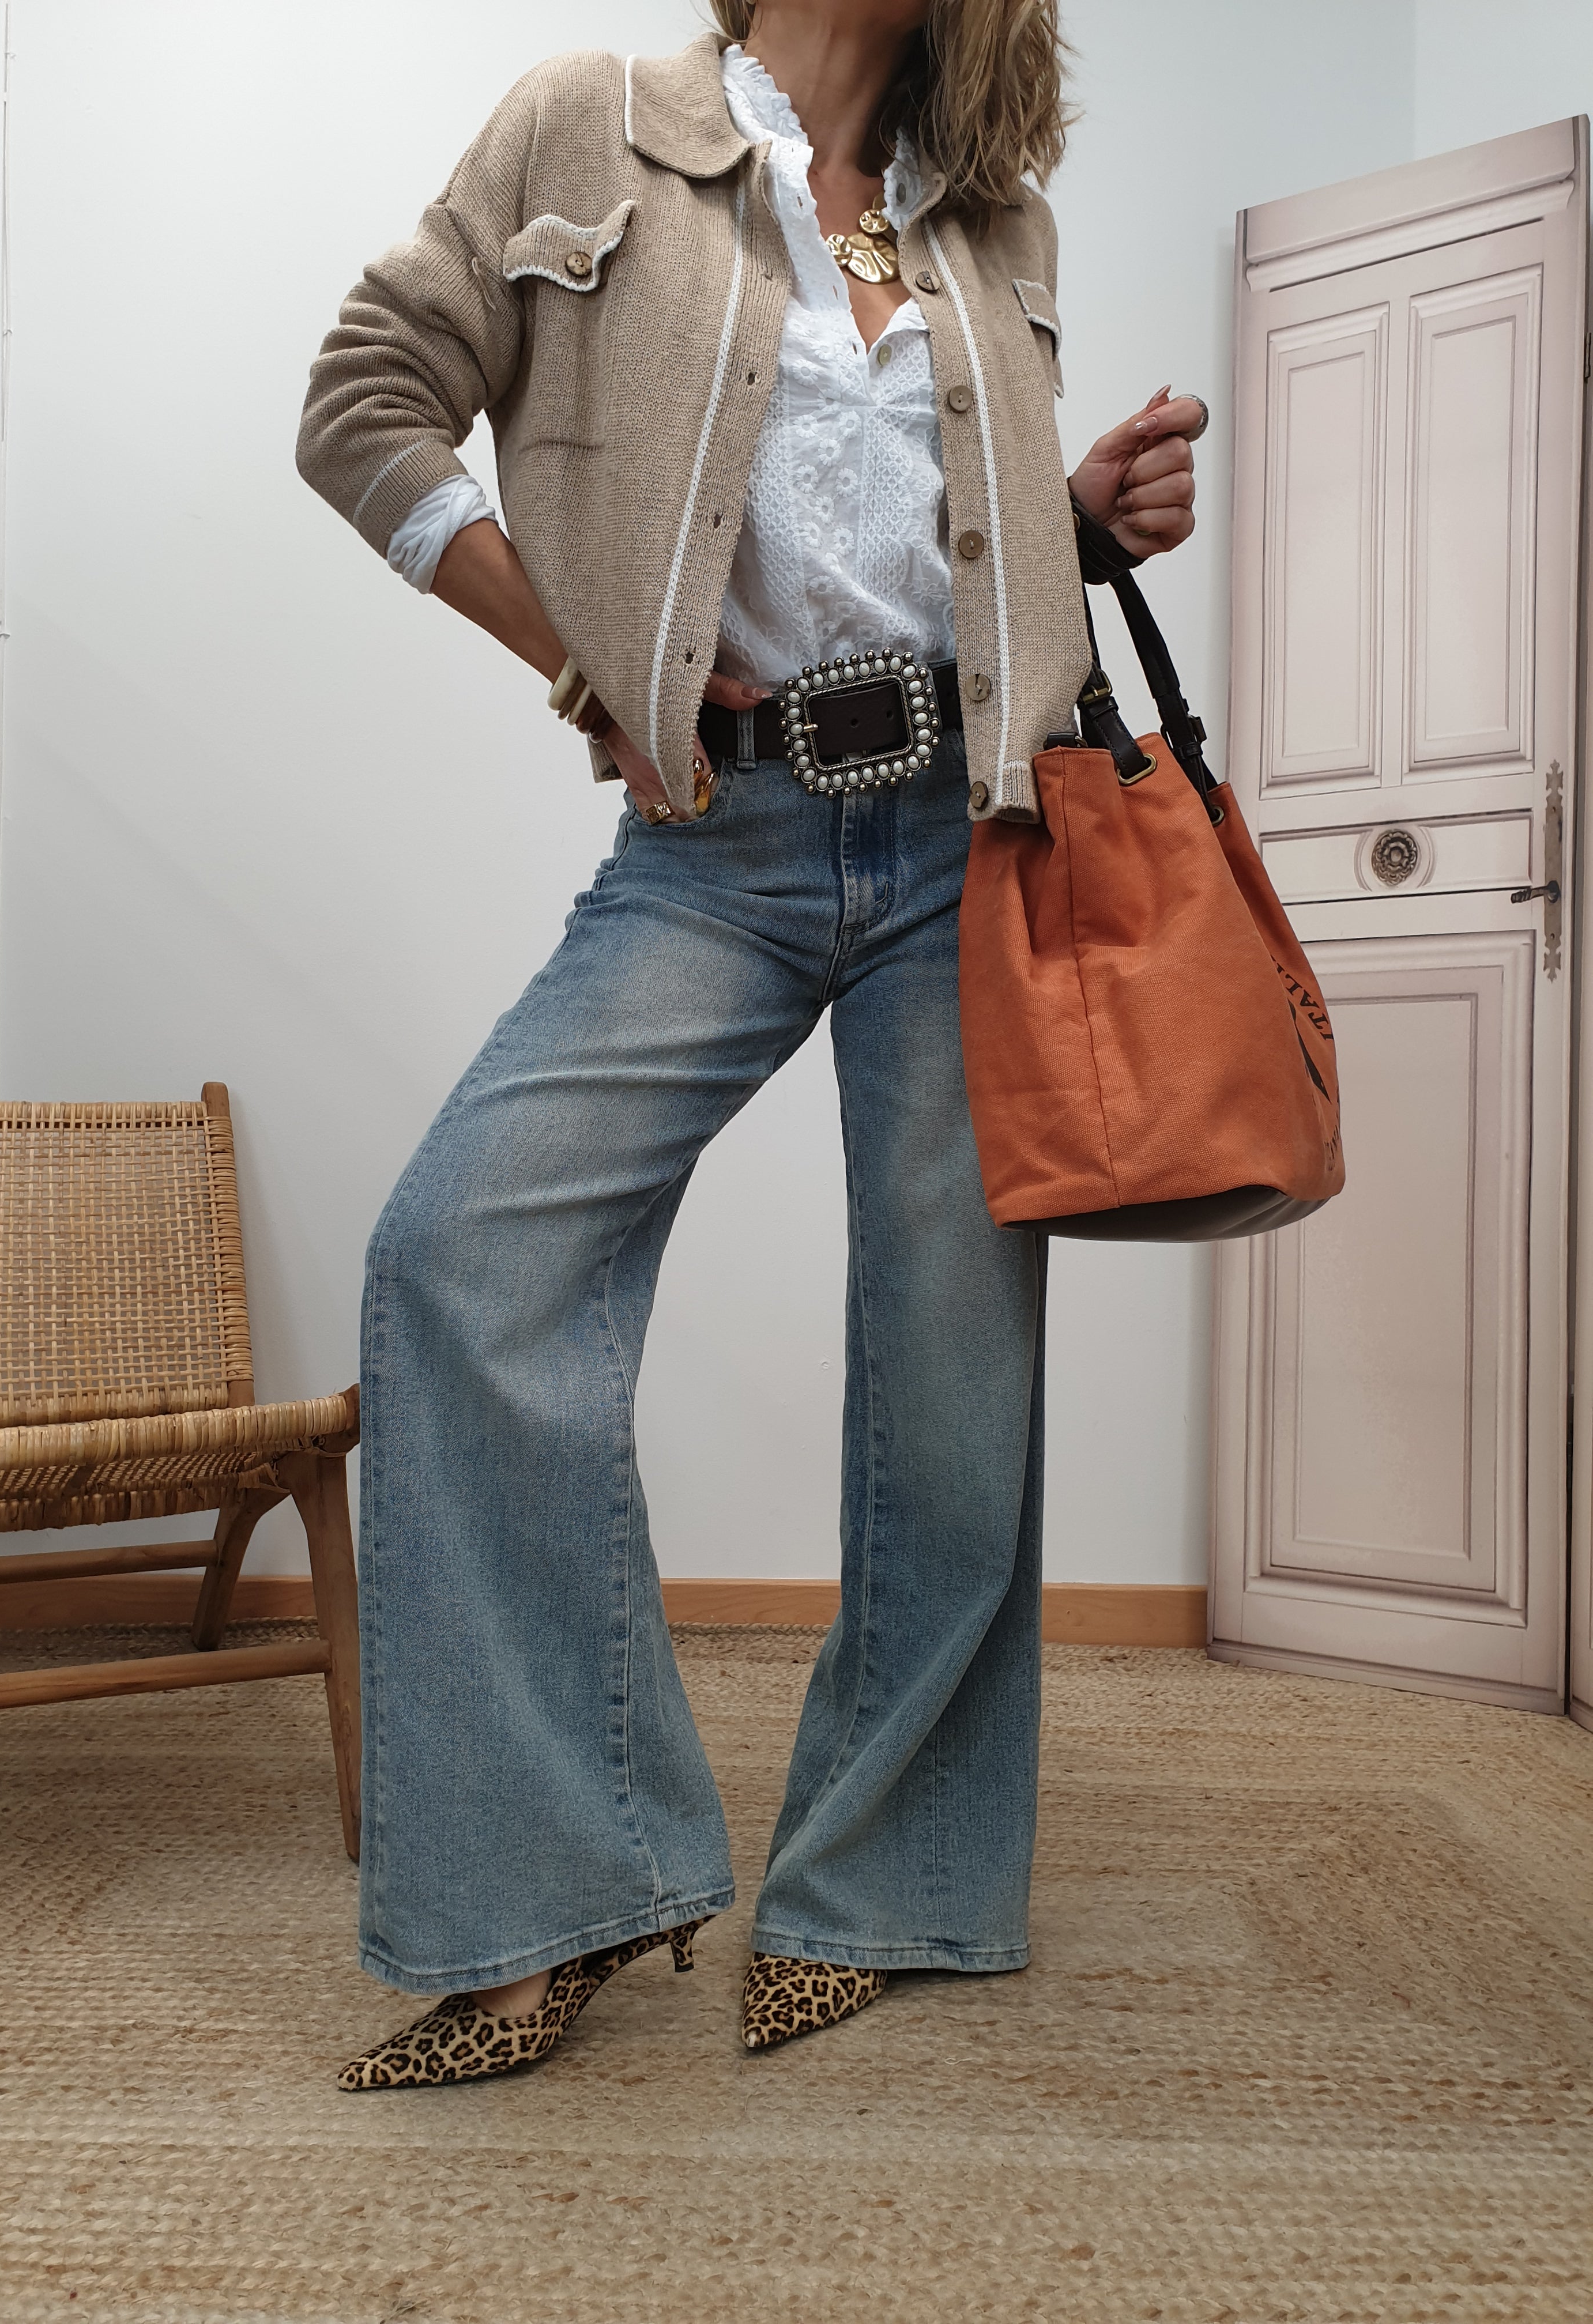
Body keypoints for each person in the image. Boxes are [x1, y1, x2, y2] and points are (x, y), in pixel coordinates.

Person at [296, 0, 1201, 2085]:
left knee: (954, 1374)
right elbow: (363, 408)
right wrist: (583, 662)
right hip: (722, 838)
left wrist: (1067, 519)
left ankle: (885, 1885)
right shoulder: (592, 127)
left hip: (971, 831)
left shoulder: (994, 215)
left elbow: (912, 548)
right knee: (461, 1253)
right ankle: (560, 1888)